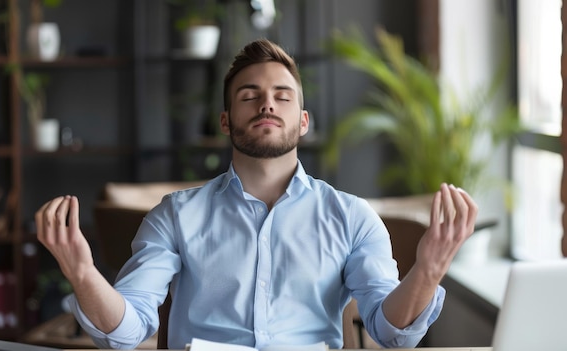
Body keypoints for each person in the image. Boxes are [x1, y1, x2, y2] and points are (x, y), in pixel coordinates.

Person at [35, 38, 478, 350]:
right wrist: (82, 271)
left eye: (281, 96)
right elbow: (127, 331)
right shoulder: (174, 216)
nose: (267, 104)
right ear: (226, 121)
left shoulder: (352, 216)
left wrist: (429, 267)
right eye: (250, 96)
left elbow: (390, 331)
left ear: (303, 122)